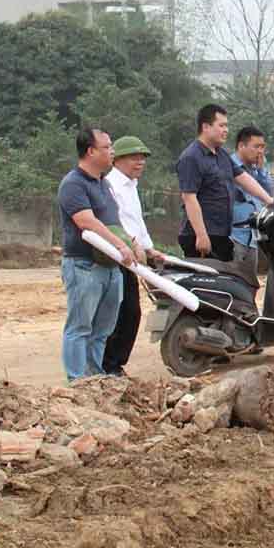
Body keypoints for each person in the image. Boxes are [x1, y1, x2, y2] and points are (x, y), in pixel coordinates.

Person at [56, 128, 135, 382]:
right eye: (107, 147)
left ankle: (95, 376)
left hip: (110, 267)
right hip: (84, 266)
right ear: (90, 151)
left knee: (103, 329)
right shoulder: (73, 184)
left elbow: (113, 220)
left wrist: (132, 243)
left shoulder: (104, 183)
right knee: (80, 326)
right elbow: (86, 221)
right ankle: (77, 380)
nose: (112, 151)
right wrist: (119, 246)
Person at [176, 103, 272, 262]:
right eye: (221, 125)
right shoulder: (191, 157)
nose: (226, 130)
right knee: (208, 284)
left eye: (227, 126)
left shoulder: (222, 155)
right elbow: (189, 198)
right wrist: (201, 235)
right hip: (200, 236)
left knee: (228, 283)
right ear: (206, 127)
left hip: (222, 234)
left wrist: (269, 200)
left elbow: (243, 178)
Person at [102, 135, 165, 375]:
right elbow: (116, 222)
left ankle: (114, 365)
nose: (140, 162)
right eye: (134, 157)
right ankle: (110, 366)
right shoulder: (111, 186)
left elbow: (136, 221)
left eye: (143, 158)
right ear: (117, 160)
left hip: (133, 255)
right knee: (123, 312)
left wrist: (149, 248)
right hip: (117, 256)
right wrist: (133, 245)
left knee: (130, 312)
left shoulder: (131, 186)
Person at [229, 126, 274, 251]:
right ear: (241, 146)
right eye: (256, 147)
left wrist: (261, 169)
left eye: (262, 147)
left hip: (253, 239)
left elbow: (268, 194)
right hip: (234, 237)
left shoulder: (255, 170)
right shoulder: (228, 167)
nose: (260, 151)